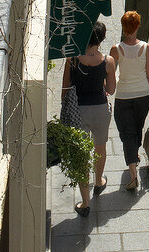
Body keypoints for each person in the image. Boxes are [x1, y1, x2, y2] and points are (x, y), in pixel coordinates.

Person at [61, 21, 116, 215]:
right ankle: (98, 181)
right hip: (100, 109)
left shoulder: (73, 59)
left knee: (82, 155)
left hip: (78, 110)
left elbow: (65, 88)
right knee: (100, 146)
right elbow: (110, 89)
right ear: (101, 39)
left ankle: (85, 203)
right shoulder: (108, 61)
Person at [110, 11, 149, 192]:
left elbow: (111, 72)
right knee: (137, 127)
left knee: (127, 133)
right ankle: (134, 155)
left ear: (123, 27)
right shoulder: (146, 48)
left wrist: (107, 89)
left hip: (124, 96)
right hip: (143, 95)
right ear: (137, 27)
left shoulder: (116, 49)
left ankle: (132, 174)